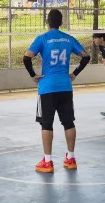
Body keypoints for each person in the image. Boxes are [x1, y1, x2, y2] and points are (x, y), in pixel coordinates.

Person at [24, 9, 90, 173]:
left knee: (46, 124)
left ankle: (48, 161)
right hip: (65, 86)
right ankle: (71, 158)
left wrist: (33, 75)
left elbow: (26, 57)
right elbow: (86, 56)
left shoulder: (42, 38)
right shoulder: (68, 39)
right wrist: (75, 73)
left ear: (47, 22)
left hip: (47, 87)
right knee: (68, 122)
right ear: (61, 22)